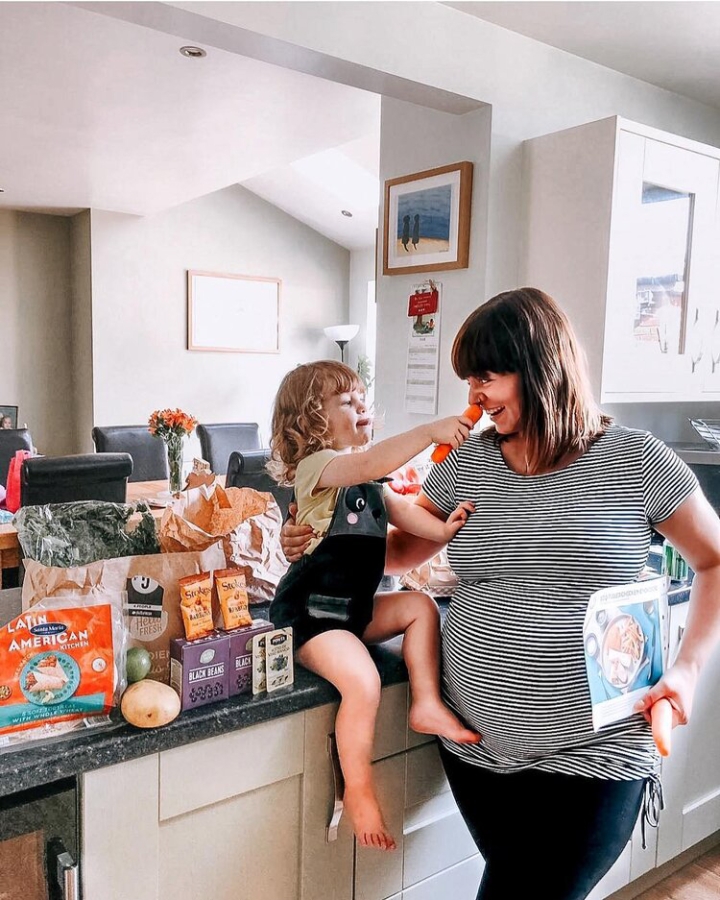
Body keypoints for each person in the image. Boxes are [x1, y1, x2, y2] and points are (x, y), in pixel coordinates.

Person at [280, 289, 720, 899]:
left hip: (599, 750)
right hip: (476, 750)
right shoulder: (468, 462)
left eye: (486, 377)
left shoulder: (636, 459)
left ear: (541, 367)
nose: (475, 396)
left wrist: (689, 670)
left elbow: (713, 560)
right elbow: (398, 553)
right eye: (470, 380)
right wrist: (314, 538)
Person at [268, 360, 480, 852]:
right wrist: (428, 432)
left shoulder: (371, 486)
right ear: (310, 420)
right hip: (314, 618)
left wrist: (447, 527)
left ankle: (426, 702)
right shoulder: (318, 468)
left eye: (362, 397)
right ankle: (359, 789)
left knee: (420, 607)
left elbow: (406, 516)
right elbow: (367, 464)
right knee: (363, 682)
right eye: (346, 401)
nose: (361, 405)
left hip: (355, 611)